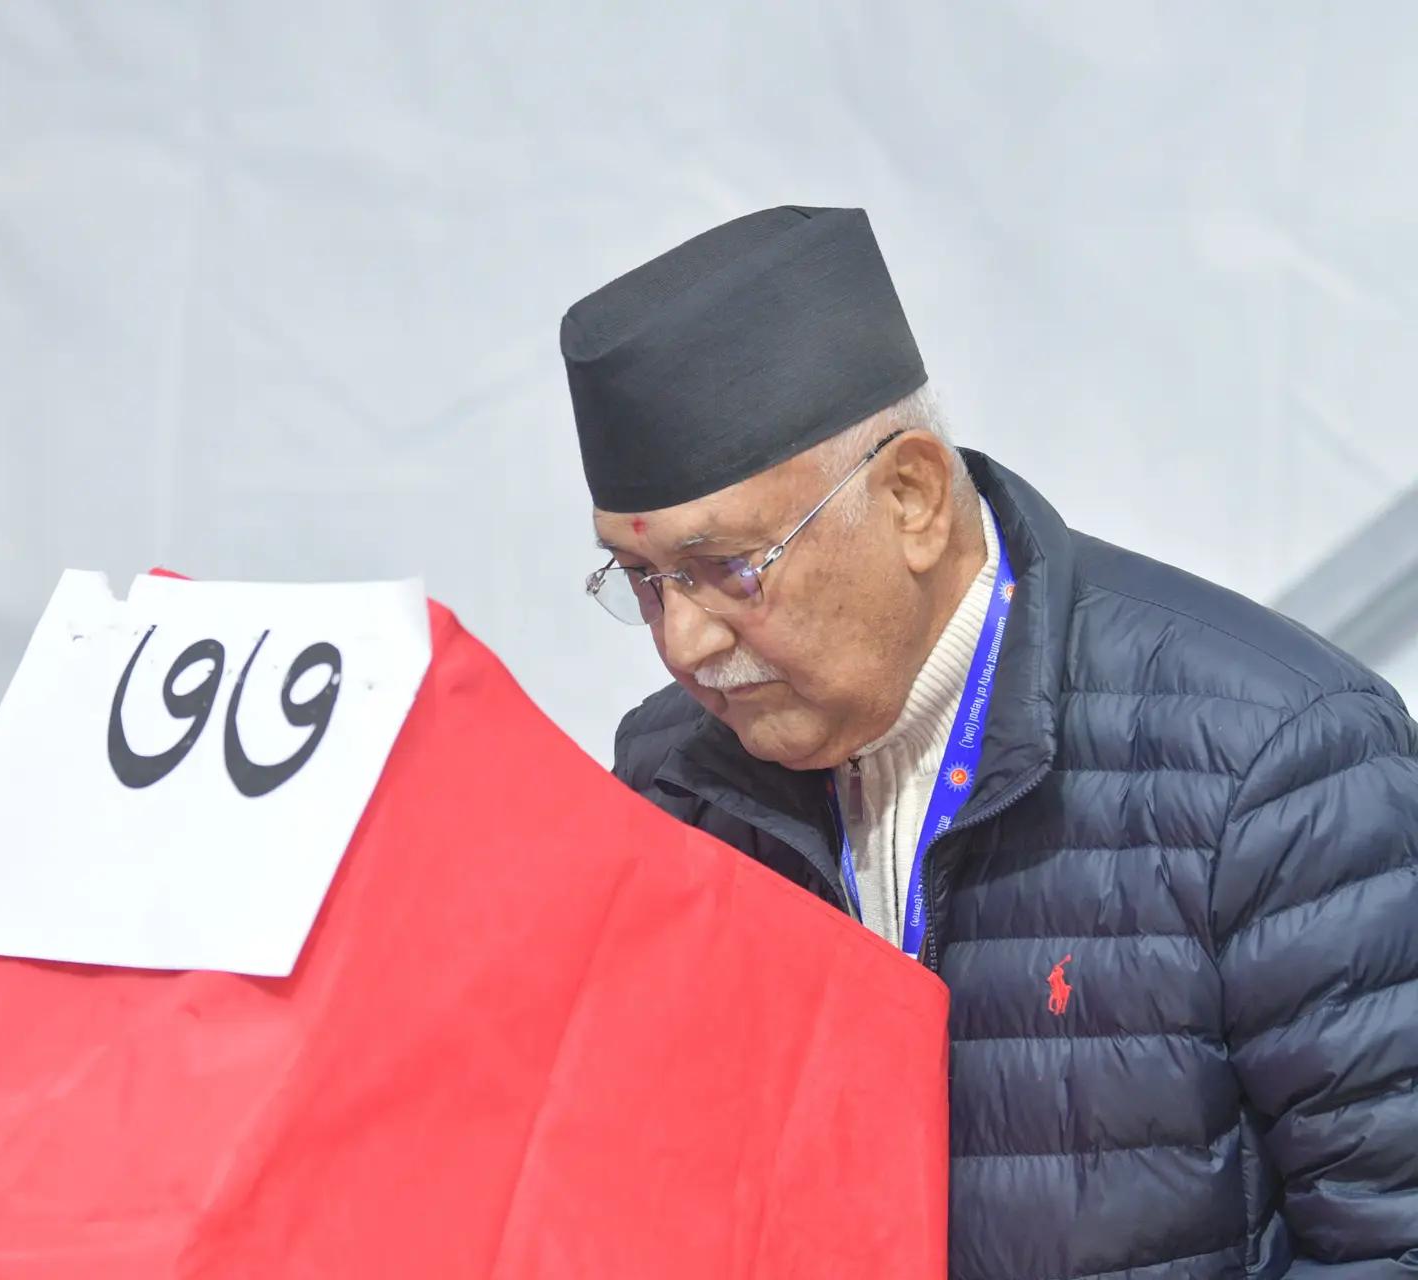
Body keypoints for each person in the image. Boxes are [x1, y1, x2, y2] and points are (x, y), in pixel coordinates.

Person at [561, 205, 1418, 1278]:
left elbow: (1392, 1238)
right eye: (644, 580)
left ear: (912, 498)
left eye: (731, 567)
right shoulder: (673, 779)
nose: (683, 642)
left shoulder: (1272, 767)